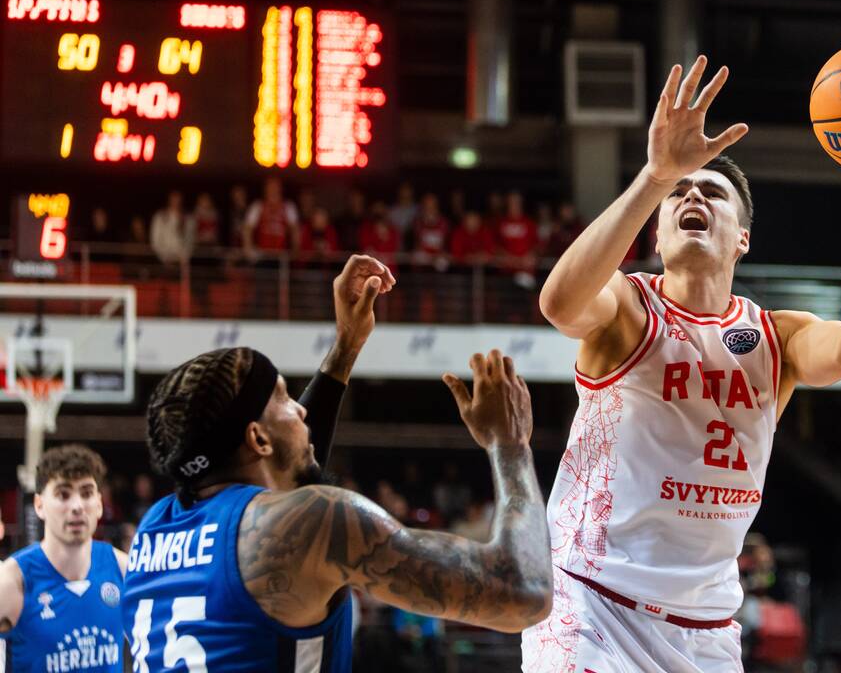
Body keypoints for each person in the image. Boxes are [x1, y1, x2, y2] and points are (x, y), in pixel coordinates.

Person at [523, 55, 841, 671]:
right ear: (658, 233)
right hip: (592, 604)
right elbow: (559, 302)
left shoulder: (775, 336)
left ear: (743, 238)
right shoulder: (629, 306)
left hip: (705, 627)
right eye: (679, 193)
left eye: (712, 191)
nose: (691, 194)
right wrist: (654, 175)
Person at [121, 255, 551, 672]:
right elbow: (523, 593)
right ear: (257, 437)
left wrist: (346, 346)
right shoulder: (310, 522)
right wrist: (510, 445)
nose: (301, 411)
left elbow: (284, 494)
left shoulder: (154, 531)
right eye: (285, 398)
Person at [0, 445, 128, 672]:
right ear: (39, 505)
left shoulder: (122, 567)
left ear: (99, 504)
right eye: (63, 494)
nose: (77, 506)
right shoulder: (11, 581)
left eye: (86, 493)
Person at [149, 189, 195, 265]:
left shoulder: (189, 218)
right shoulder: (160, 217)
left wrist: (184, 258)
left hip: (183, 261)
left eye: (178, 199)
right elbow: (155, 241)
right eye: (174, 199)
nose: (176, 202)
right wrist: (165, 258)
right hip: (165, 261)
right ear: (169, 199)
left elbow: (191, 240)